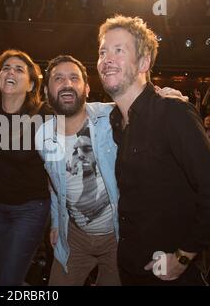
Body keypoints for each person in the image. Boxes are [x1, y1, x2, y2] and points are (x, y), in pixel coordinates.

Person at [97, 15, 210, 285]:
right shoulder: (114, 122)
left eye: (118, 50)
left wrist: (183, 258)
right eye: (103, 51)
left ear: (144, 63)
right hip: (130, 268)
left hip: (169, 275)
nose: (107, 58)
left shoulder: (173, 112)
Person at [36, 55, 121, 286]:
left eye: (74, 78)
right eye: (59, 78)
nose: (67, 84)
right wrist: (55, 222)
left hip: (118, 236)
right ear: (46, 91)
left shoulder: (111, 117)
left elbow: (142, 102)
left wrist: (166, 96)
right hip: (74, 237)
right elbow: (54, 184)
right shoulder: (42, 137)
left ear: (87, 88)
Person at [0, 49, 53, 285]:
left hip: (31, 208)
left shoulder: (45, 115)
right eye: (5, 67)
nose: (10, 71)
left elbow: (84, 111)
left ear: (31, 84)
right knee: (5, 272)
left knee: (7, 280)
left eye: (19, 69)